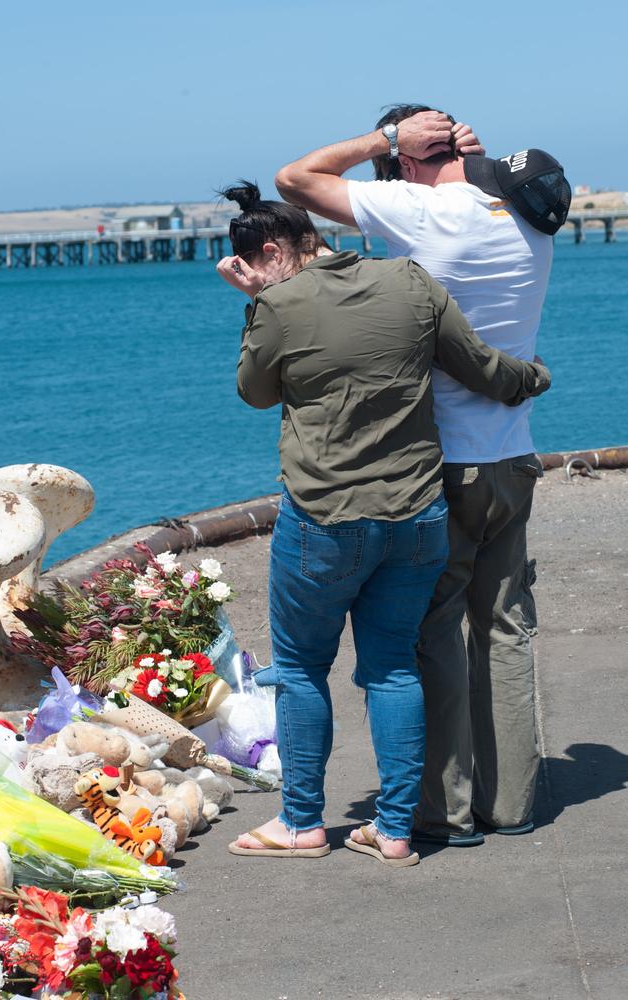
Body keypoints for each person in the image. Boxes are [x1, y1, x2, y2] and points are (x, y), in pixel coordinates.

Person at [216, 180, 551, 865]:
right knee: (394, 667)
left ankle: (303, 825)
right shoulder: (409, 281)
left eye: (252, 267)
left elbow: (254, 394)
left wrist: (257, 302)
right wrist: (532, 380)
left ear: (272, 252)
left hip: (324, 522)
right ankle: (395, 830)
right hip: (418, 515)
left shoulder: (277, 303)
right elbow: (481, 367)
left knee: (305, 669)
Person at [274, 105, 571, 846]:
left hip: (441, 466)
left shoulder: (423, 211)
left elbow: (295, 179)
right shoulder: (530, 218)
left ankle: (448, 808)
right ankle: (513, 803)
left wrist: (385, 142)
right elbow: (490, 184)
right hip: (513, 456)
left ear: (407, 158)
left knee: (432, 634)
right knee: (505, 628)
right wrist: (470, 155)